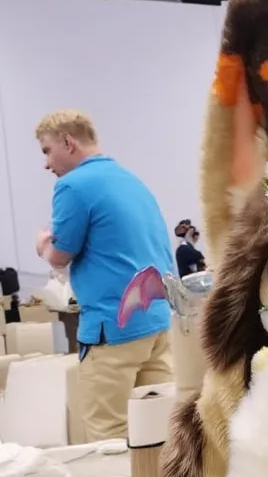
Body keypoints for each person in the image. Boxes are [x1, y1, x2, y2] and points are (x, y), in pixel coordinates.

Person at [35, 109, 174, 441]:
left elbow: (60, 255)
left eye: (46, 150)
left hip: (112, 330)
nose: (46, 164)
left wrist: (42, 246)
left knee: (108, 435)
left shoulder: (71, 186)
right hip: (156, 325)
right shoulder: (131, 180)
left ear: (68, 142)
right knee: (160, 431)